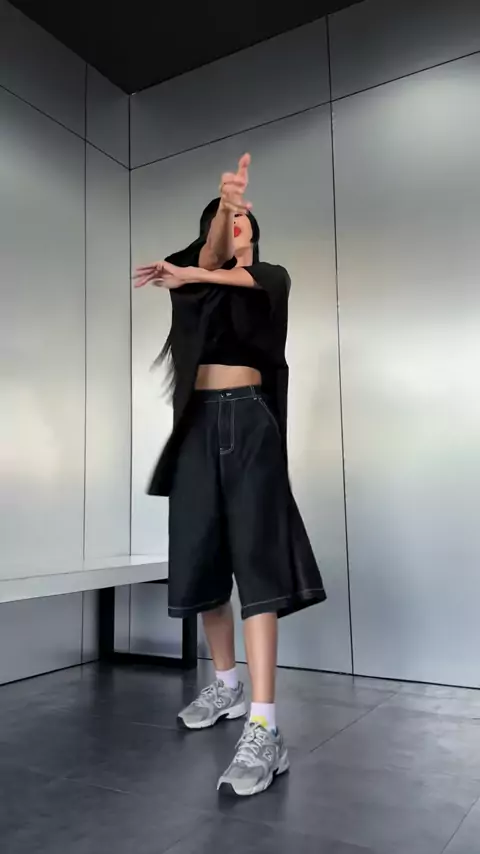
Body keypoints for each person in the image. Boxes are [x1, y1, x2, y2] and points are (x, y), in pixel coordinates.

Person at [134, 153, 326, 797]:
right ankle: (225, 684)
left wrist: (195, 268)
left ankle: (265, 726)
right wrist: (223, 206)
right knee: (201, 555)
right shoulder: (194, 273)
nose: (238, 222)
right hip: (195, 425)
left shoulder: (271, 278)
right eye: (228, 218)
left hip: (249, 421)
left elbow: (229, 271)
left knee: (256, 560)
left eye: (245, 217)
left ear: (257, 234)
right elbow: (210, 256)